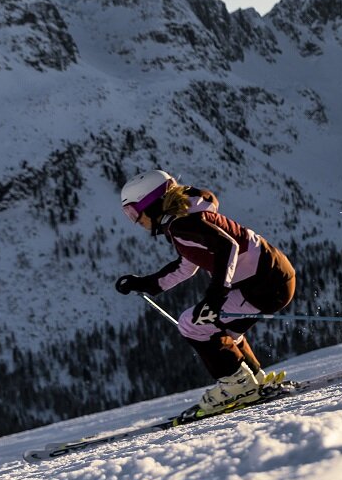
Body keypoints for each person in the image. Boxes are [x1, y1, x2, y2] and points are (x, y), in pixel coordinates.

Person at [113, 170, 297, 415]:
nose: (137, 221)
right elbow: (185, 266)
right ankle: (252, 379)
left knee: (192, 324)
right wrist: (145, 284)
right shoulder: (185, 217)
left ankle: (236, 385)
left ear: (152, 203)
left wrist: (215, 297)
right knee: (220, 333)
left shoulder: (184, 224)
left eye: (134, 212)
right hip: (273, 277)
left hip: (263, 285)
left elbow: (226, 247)